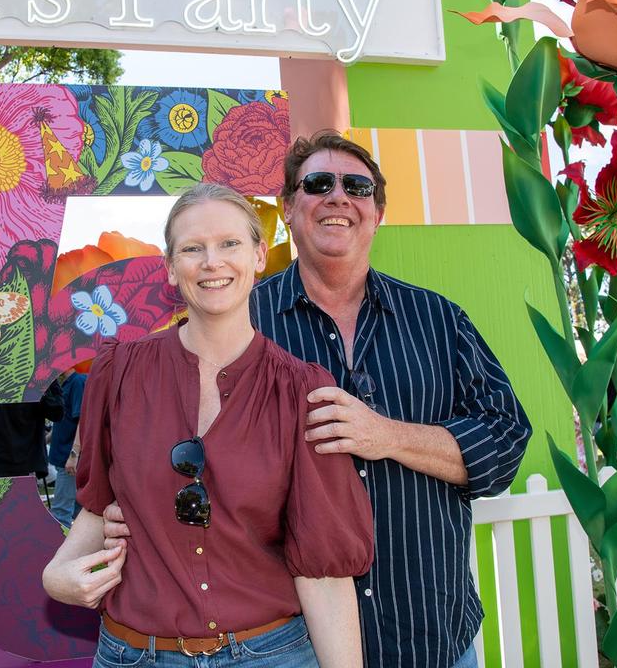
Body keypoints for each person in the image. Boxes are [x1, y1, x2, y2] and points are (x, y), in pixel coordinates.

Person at [97, 132, 532, 667]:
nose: (338, 197)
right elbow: (162, 446)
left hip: (429, 630)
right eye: (318, 184)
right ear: (288, 209)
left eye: (357, 186)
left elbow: (507, 439)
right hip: (289, 642)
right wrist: (133, 512)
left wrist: (388, 436)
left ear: (378, 212)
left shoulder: (440, 322)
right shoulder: (233, 319)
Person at [44, 183, 375, 667]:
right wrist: (56, 577)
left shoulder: (302, 391)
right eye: (192, 248)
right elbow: (96, 514)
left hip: (270, 654)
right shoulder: (117, 375)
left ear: (259, 255)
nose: (211, 261)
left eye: (229, 244)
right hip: (134, 654)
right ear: (171, 267)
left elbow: (322, 572)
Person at [47, 367, 87, 527]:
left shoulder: (77, 382)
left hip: (69, 459)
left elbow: (82, 420)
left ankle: (61, 549)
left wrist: (74, 454)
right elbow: (66, 421)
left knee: (60, 511)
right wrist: (47, 439)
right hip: (64, 457)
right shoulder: (66, 384)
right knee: (78, 509)